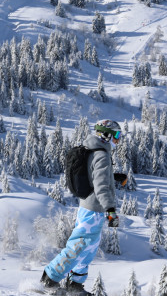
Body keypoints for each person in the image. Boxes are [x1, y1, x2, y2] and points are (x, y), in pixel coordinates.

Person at [40, 119, 123, 294]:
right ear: (106, 134)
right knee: (78, 246)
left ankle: (75, 284)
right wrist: (110, 210)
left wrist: (114, 177)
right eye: (116, 135)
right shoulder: (102, 155)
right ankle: (50, 278)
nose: (118, 139)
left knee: (89, 248)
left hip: (90, 207)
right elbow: (100, 186)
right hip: (94, 209)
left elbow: (95, 176)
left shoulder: (95, 150)